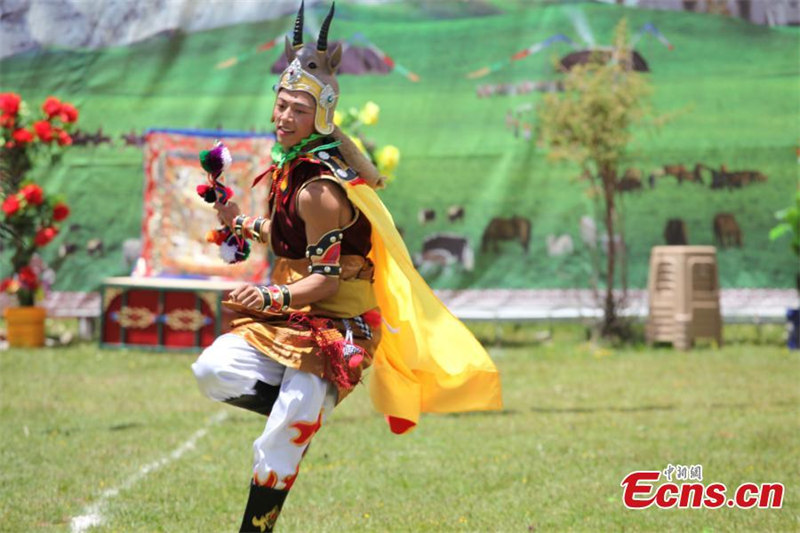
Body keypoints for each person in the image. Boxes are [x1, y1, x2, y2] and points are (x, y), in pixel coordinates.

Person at [192, 2, 502, 531]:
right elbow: (292, 245)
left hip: (339, 325)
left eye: (298, 109)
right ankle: (302, 413)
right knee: (214, 370)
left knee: (280, 440)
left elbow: (325, 278)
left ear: (323, 116)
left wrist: (267, 298)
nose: (284, 117)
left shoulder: (318, 187)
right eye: (282, 104)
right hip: (295, 318)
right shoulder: (289, 170)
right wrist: (241, 223)